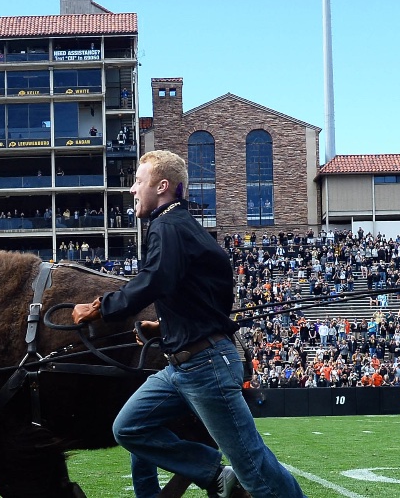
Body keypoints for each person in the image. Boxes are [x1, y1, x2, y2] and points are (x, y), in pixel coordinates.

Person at [73, 150, 303, 498]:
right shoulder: (184, 227)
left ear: (162, 186)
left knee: (253, 464)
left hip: (204, 367)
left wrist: (100, 308)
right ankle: (214, 473)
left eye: (138, 181)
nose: (132, 190)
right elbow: (200, 299)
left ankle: (227, 475)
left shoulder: (166, 225)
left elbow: (153, 280)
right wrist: (165, 327)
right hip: (181, 366)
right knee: (129, 428)